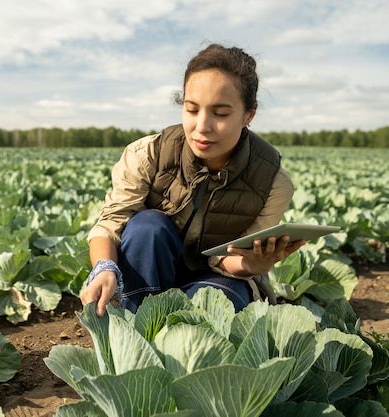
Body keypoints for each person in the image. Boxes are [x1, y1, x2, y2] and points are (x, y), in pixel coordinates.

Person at [80, 43, 306, 317]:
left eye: (220, 114)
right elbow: (111, 222)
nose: (202, 126)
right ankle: (137, 321)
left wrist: (256, 264)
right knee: (147, 227)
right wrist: (104, 267)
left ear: (249, 114)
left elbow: (232, 260)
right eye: (191, 109)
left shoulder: (272, 183)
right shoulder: (147, 154)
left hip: (219, 279)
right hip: (152, 272)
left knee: (213, 305)